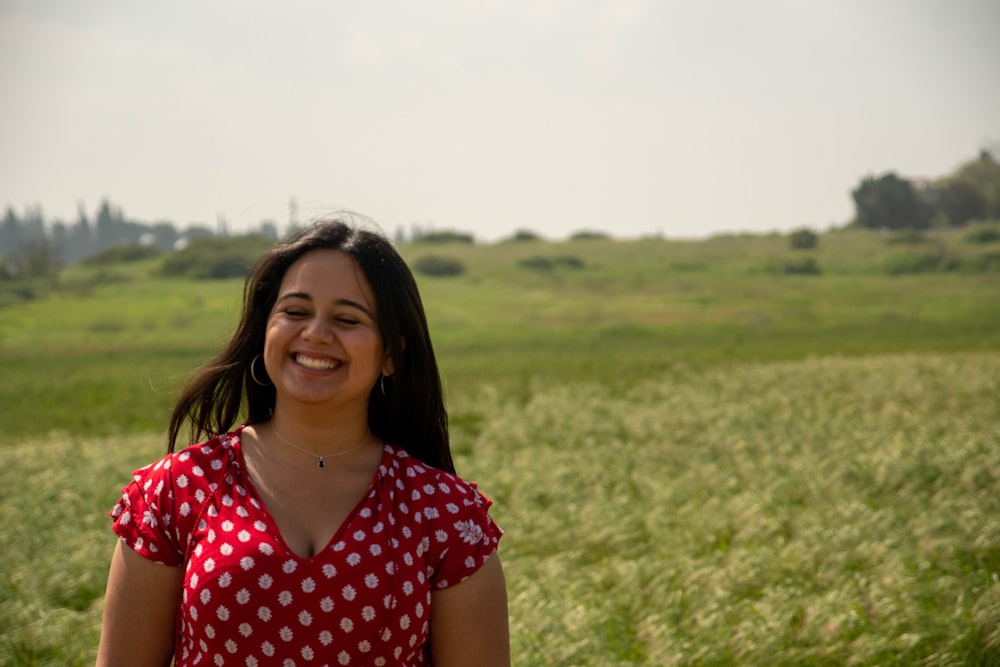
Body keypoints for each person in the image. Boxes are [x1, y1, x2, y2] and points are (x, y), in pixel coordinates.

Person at [97, 218, 510, 666]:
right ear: (265, 331)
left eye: (347, 319)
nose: (315, 333)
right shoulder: (177, 491)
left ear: (391, 353)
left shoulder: (445, 514)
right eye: (295, 312)